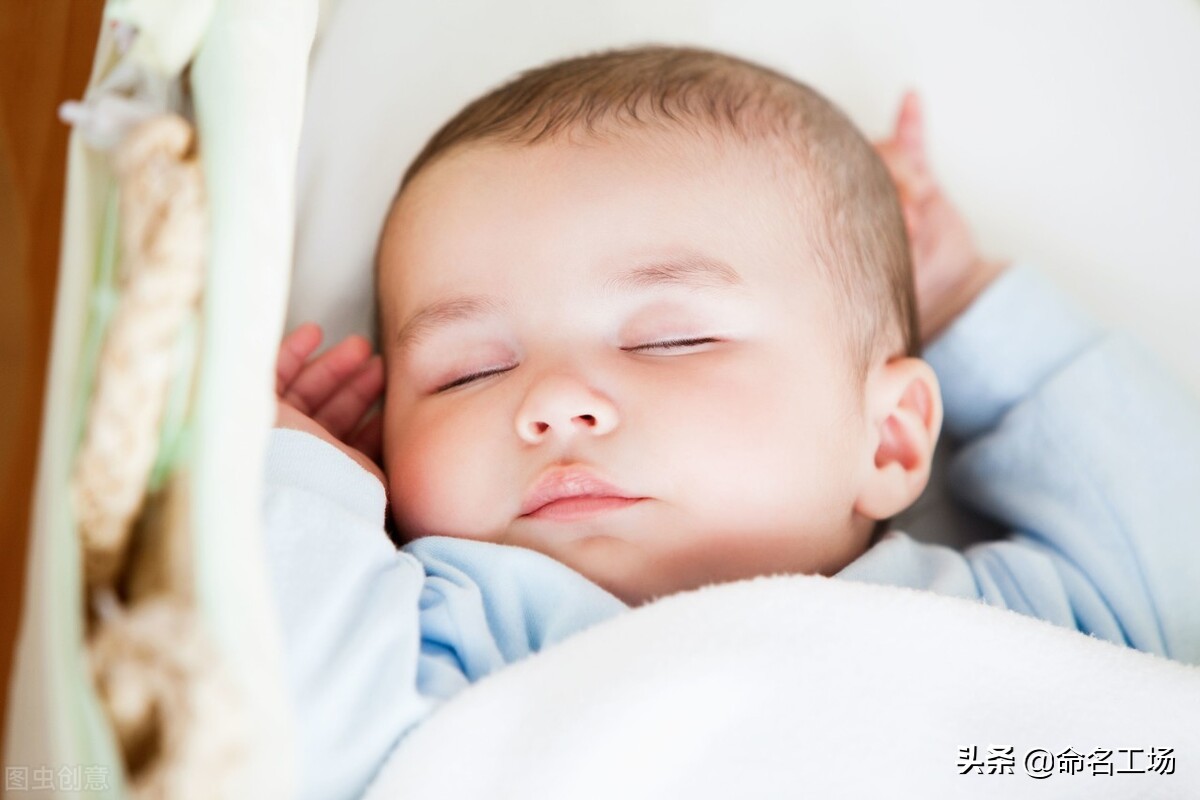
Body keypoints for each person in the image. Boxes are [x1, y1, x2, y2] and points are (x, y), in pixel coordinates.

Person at [266, 47, 1200, 800]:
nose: (550, 402)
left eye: (671, 341)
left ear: (889, 439)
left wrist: (961, 300)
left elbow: (1171, 547)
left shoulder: (1004, 630)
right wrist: (301, 484)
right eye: (470, 372)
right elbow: (289, 742)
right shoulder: (450, 628)